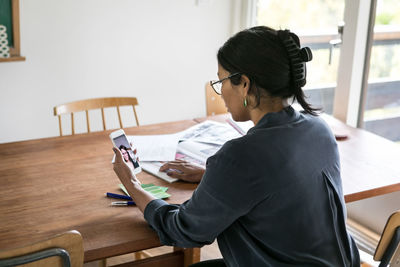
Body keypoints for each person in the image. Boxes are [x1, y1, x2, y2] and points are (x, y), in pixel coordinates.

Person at [112, 26, 360, 266]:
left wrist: (133, 185)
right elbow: (278, 183)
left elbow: (184, 231)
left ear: (244, 83)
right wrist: (211, 176)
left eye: (222, 81)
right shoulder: (318, 129)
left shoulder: (242, 155)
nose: (220, 93)